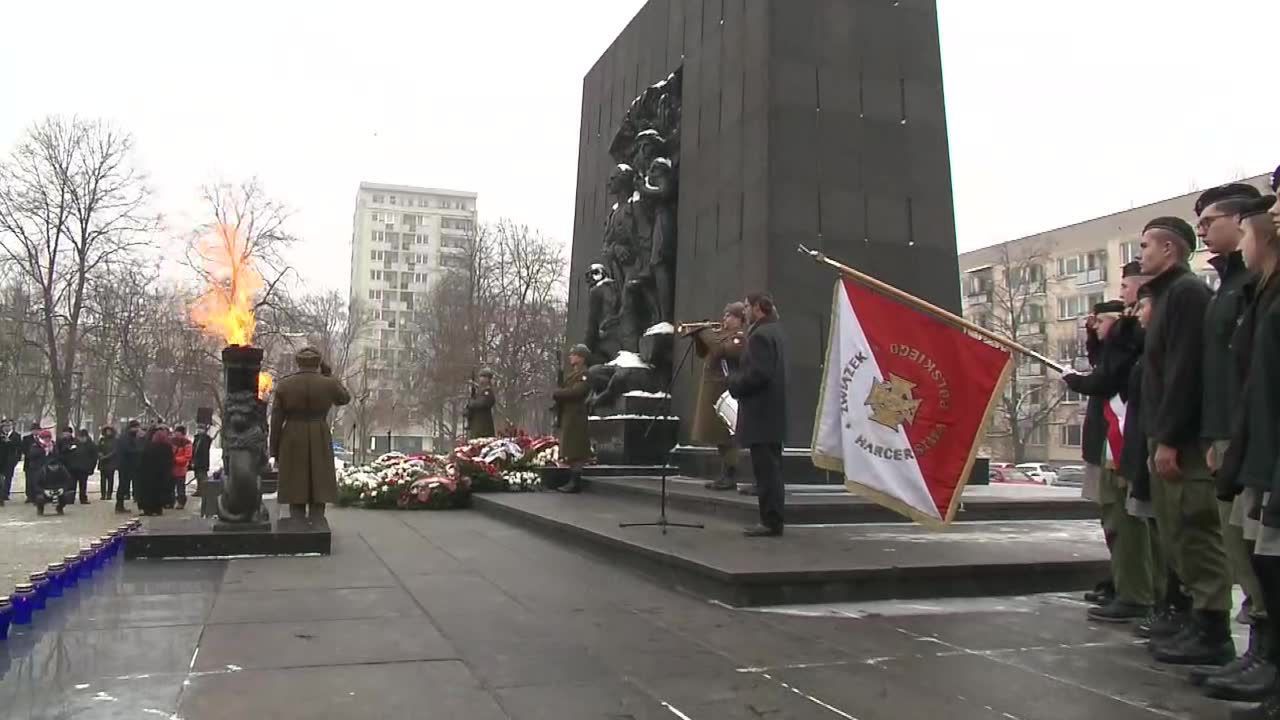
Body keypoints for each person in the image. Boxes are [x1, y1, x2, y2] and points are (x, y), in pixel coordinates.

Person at [1139, 215, 1235, 667]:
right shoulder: (1169, 294)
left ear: (1169, 250)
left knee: (1195, 532)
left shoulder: (1186, 294)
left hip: (1182, 441)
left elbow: (1184, 372)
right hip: (1166, 433)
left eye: (1145, 246)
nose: (1140, 255)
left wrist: (1170, 437)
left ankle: (1213, 630)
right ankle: (1196, 621)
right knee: (1177, 533)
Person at [1214, 192, 1280, 712]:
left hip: (1266, 450)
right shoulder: (1259, 293)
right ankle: (1266, 654)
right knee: (1260, 560)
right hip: (1256, 446)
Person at [1064, 299, 1150, 623]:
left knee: (1126, 525)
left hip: (1122, 447)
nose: (1094, 327)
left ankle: (1136, 593)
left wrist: (1075, 380)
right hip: (1109, 445)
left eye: (1099, 323)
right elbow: (1103, 364)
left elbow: (1105, 377)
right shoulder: (1119, 348)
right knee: (1115, 523)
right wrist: (1092, 338)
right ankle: (1128, 586)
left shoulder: (1129, 349)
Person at [728, 292, 789, 538]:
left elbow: (759, 374)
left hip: (761, 413)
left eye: (746, 306)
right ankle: (772, 519)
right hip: (772, 413)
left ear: (758, 308)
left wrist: (734, 382)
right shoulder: (775, 331)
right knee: (771, 469)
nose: (744, 311)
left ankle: (770, 521)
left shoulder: (760, 336)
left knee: (766, 471)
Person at [269, 348, 352, 523]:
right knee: (318, 476)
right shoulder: (327, 384)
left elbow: (276, 419)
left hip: (292, 434)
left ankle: (297, 520)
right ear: (318, 363)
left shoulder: (285, 385)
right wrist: (329, 376)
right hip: (318, 432)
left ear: (298, 362)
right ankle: (317, 520)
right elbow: (344, 398)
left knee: (295, 479)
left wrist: (274, 450)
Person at [688, 302, 748, 491]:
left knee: (726, 435)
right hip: (712, 391)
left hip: (726, 392)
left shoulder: (739, 338)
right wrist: (698, 337)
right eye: (725, 315)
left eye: (730, 316)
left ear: (740, 319)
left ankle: (730, 474)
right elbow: (704, 352)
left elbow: (722, 351)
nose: (725, 319)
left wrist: (705, 332)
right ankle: (724, 473)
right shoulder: (721, 335)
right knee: (717, 436)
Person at [551, 345, 592, 494]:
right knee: (570, 448)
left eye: (574, 354)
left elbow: (577, 392)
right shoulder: (572, 375)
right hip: (569, 415)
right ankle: (572, 480)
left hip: (577, 416)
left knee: (576, 450)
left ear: (582, 357)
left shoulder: (585, 374)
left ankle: (575, 482)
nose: (571, 357)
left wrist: (558, 393)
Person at [136, 427, 174, 516]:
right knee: (159, 491)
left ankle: (148, 509)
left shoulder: (149, 446)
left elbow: (143, 459)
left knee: (148, 492)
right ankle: (158, 509)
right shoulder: (168, 446)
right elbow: (170, 460)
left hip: (148, 473)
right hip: (162, 474)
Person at [115, 420, 144, 514]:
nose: (138, 429)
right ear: (132, 427)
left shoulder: (129, 436)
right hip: (125, 465)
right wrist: (139, 451)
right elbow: (128, 450)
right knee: (123, 485)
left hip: (128, 464)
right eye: (137, 427)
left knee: (125, 485)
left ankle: (120, 505)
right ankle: (119, 505)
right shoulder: (126, 437)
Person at [67, 428, 99, 504]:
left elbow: (94, 457)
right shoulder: (73, 444)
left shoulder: (91, 445)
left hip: (84, 468)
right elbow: (68, 455)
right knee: (72, 484)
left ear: (86, 437)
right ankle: (70, 498)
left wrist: (91, 468)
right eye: (80, 437)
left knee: (83, 485)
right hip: (73, 468)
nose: (81, 439)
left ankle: (83, 498)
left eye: (83, 437)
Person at [465, 369, 497, 439]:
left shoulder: (488, 392)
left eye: (483, 377)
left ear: (488, 379)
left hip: (484, 427)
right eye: (481, 376)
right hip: (476, 426)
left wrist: (472, 403)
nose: (481, 379)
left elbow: (483, 403)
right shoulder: (479, 393)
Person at [170, 425, 193, 510]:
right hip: (171, 468)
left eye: (178, 432)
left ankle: (181, 502)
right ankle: (170, 501)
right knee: (170, 486)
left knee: (180, 487)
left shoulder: (187, 443)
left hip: (180, 468)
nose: (176, 434)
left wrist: (175, 460)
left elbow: (188, 456)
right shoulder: (171, 441)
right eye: (175, 432)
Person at [191, 424, 213, 510]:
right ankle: (199, 490)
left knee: (202, 476)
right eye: (198, 428)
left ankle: (204, 490)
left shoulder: (205, 439)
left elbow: (204, 451)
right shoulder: (197, 438)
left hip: (202, 461)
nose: (199, 430)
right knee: (197, 476)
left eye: (201, 429)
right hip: (196, 460)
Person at [0, 420, 21, 505]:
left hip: (10, 460)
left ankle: (5, 494)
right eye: (5, 426)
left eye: (9, 426)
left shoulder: (16, 436)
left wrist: (9, 442)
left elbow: (18, 448)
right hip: (1, 459)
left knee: (8, 477)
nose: (7, 427)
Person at [21, 421, 41, 503]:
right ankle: (29, 496)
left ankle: (38, 495)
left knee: (38, 479)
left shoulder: (42, 438)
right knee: (29, 480)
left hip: (40, 462)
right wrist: (31, 454)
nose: (36, 431)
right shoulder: (26, 439)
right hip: (29, 462)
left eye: (37, 430)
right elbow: (24, 449)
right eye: (34, 430)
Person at [97, 425, 118, 500]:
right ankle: (103, 494)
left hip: (111, 462)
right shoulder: (102, 439)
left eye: (109, 431)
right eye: (107, 431)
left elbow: (115, 451)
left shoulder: (115, 440)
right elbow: (98, 448)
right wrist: (99, 454)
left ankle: (109, 494)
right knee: (102, 479)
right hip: (102, 463)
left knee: (110, 479)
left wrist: (106, 457)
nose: (108, 432)